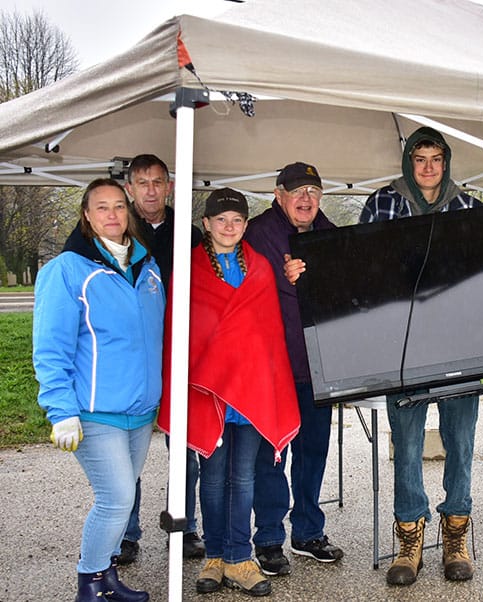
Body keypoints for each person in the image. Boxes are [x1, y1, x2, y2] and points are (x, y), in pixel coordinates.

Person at [157, 188, 301, 597]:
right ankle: (215, 556)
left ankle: (240, 558)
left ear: (245, 225)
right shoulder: (190, 268)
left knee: (243, 477)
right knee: (213, 477)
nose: (229, 227)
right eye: (221, 220)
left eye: (237, 220)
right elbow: (182, 330)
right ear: (206, 224)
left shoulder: (258, 267)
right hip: (209, 391)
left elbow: (266, 331)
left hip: (250, 392)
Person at [358, 126, 483, 586]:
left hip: (459, 347)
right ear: (409, 163)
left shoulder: (469, 207)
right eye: (419, 159)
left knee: (460, 442)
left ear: (446, 162)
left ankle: (456, 533)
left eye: (435, 159)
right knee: (407, 445)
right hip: (403, 348)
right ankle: (409, 537)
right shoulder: (382, 204)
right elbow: (362, 269)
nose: (428, 168)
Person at [32, 178, 165, 602]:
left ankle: (106, 576)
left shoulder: (148, 268)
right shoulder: (68, 270)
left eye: (119, 207)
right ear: (87, 217)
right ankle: (88, 583)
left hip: (141, 411)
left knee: (122, 502)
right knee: (116, 498)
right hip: (95, 412)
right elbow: (50, 347)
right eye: (102, 207)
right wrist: (60, 410)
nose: (112, 215)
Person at [244, 161, 344, 576]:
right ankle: (268, 538)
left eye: (314, 192)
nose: (306, 200)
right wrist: (284, 278)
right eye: (298, 192)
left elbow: (347, 285)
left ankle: (307, 531)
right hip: (273, 367)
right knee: (270, 455)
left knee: (313, 453)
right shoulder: (257, 233)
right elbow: (247, 289)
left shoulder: (329, 234)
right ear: (278, 194)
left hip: (318, 367)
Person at [120, 153, 205, 563]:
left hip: (179, 352)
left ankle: (184, 525)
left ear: (169, 186)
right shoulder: (117, 233)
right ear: (129, 188)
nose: (151, 190)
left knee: (184, 449)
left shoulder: (189, 235)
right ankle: (124, 532)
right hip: (131, 356)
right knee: (126, 452)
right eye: (142, 182)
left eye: (158, 182)